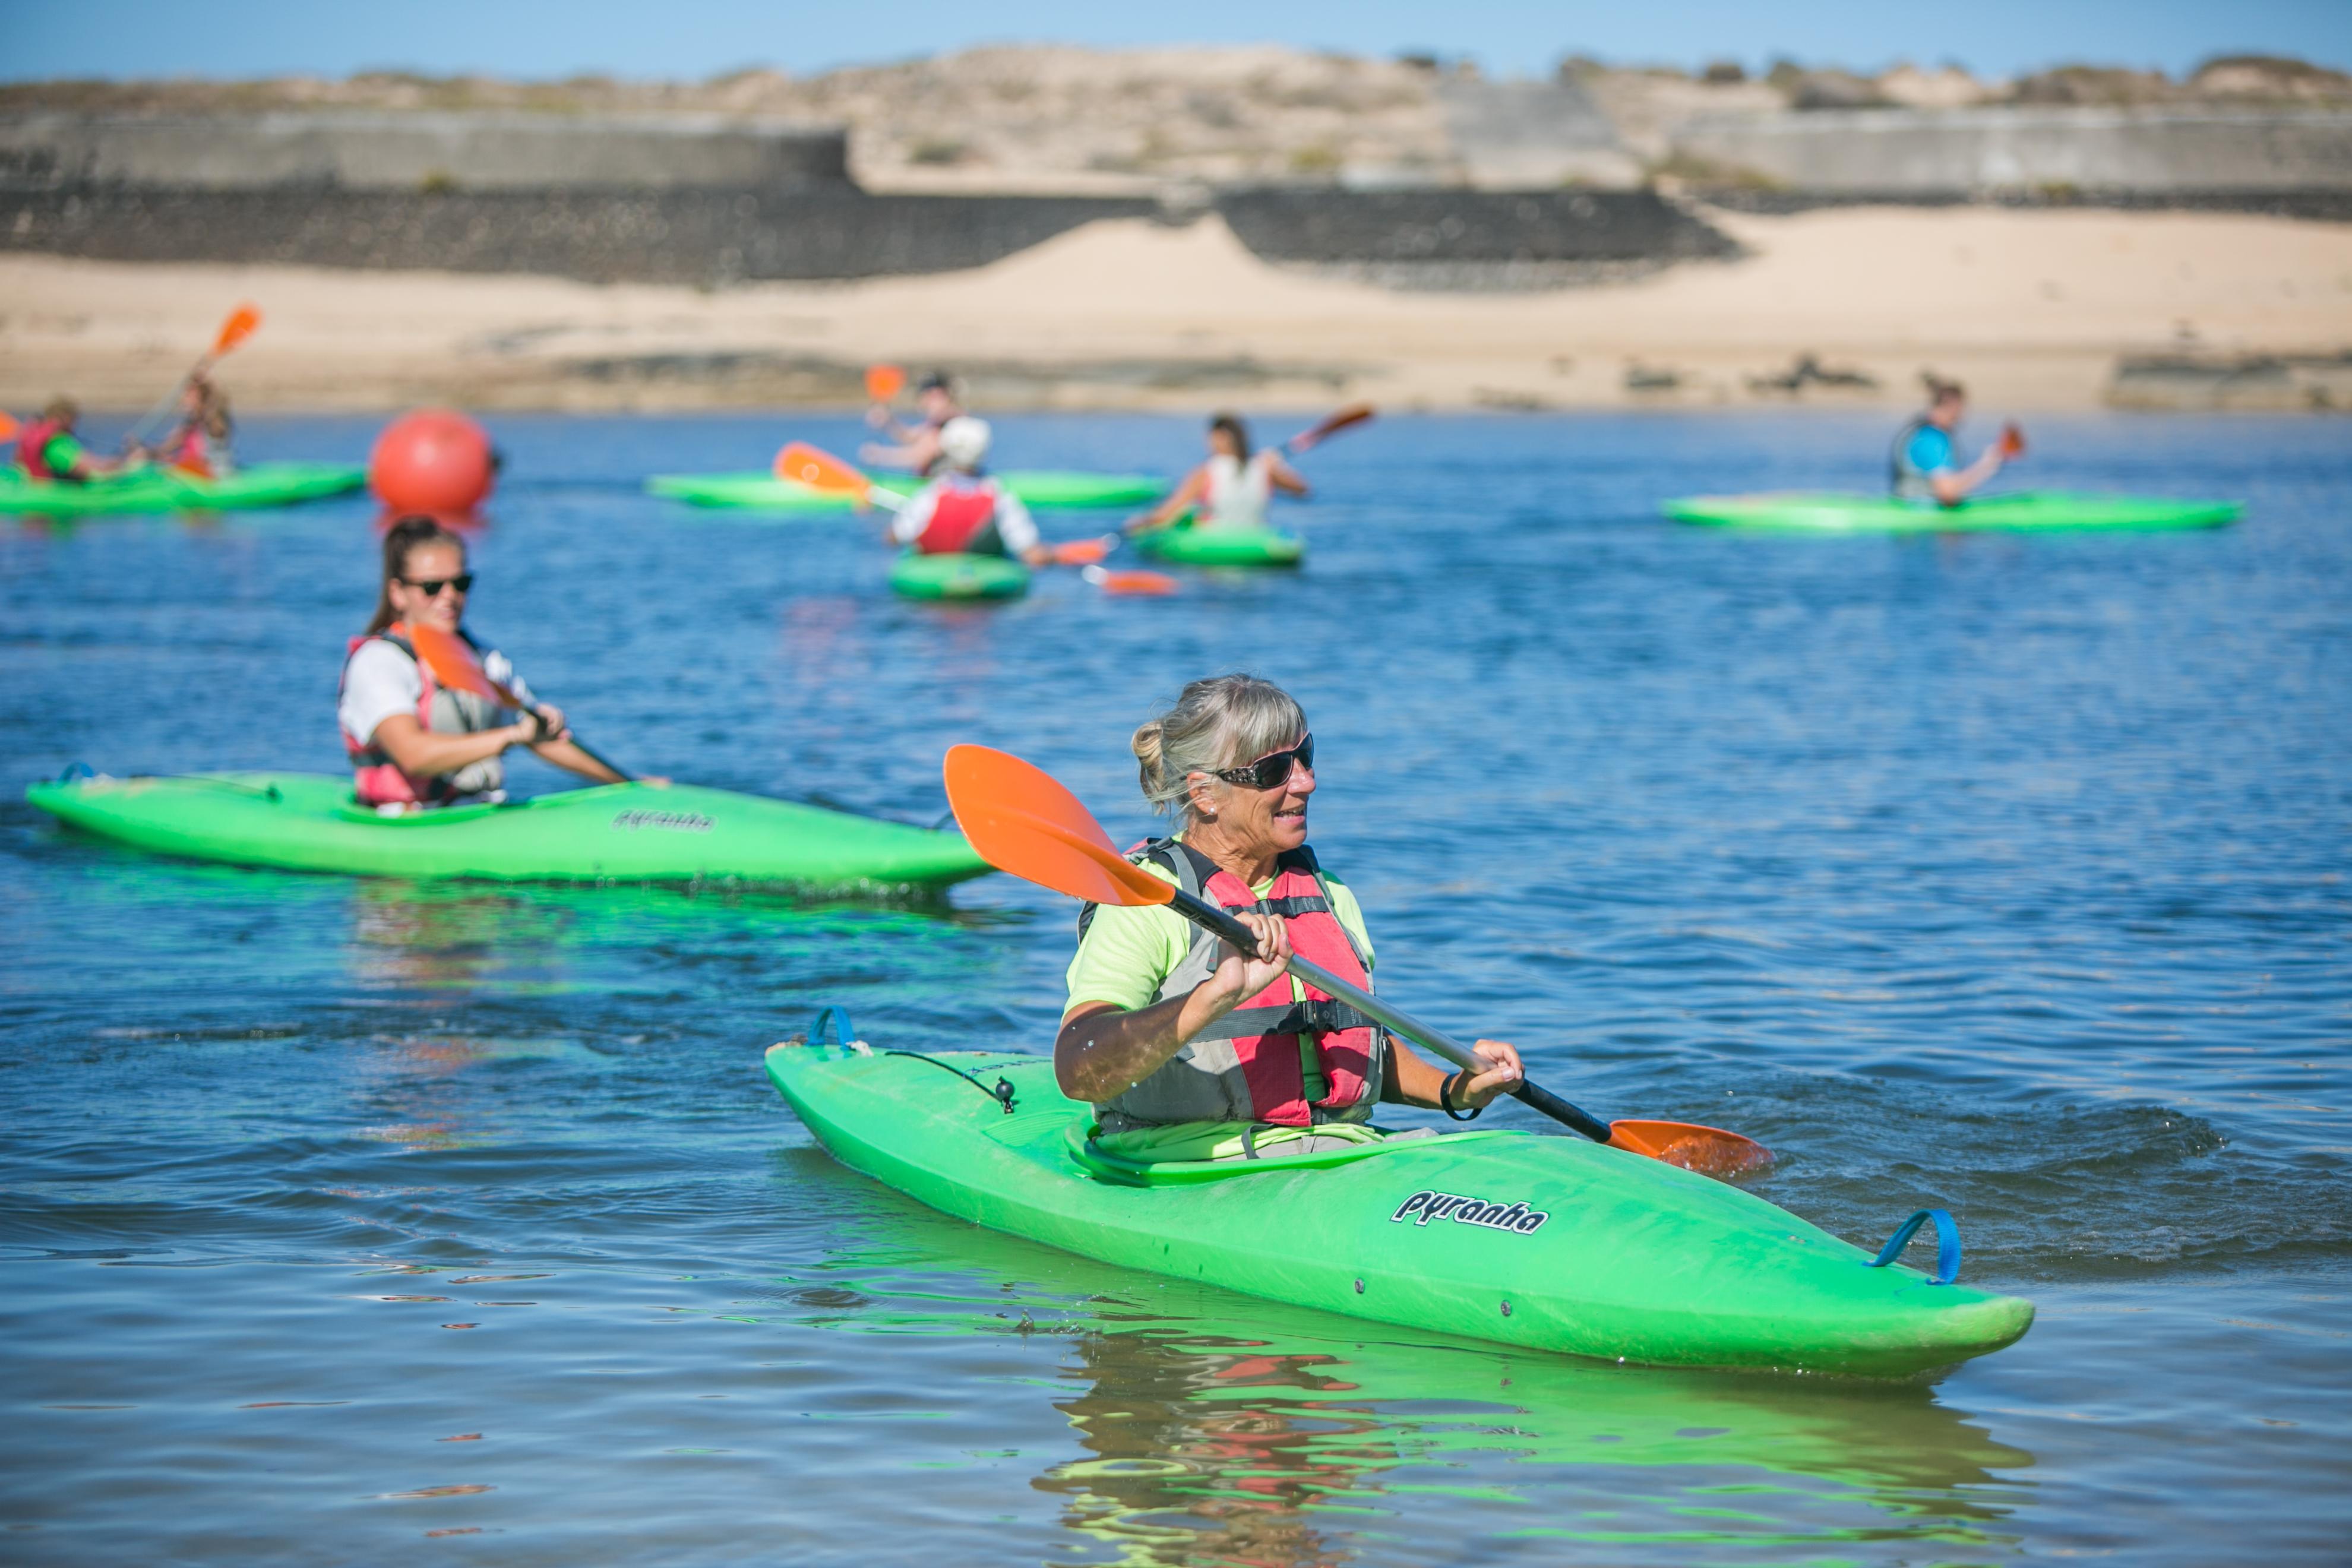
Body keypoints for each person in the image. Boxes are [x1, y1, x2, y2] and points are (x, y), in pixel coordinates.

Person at [1057, 674, 1525, 1163]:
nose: (1306, 781)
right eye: (1275, 769)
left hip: (1342, 1155)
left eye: (1306, 757)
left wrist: (1455, 1089)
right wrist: (1211, 998)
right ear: (1204, 793)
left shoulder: (1330, 892)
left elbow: (1347, 1045)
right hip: (1196, 1164)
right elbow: (1078, 1068)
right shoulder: (1146, 904)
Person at [337, 515, 625, 810]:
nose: (450, 597)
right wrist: (513, 736)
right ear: (398, 593)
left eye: (461, 583)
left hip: (481, 812)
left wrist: (629, 784)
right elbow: (413, 755)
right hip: (406, 822)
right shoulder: (379, 662)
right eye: (432, 587)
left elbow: (540, 738)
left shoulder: (484, 659)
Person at [889, 416, 1049, 565]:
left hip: (933, 572)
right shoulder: (998, 494)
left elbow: (894, 537)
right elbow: (1031, 553)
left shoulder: (931, 493)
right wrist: (1052, 556)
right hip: (987, 575)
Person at [1134, 414, 1307, 535]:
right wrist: (1276, 467)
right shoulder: (1264, 467)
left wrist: (1142, 523)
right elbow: (1302, 489)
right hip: (1255, 535)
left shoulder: (1206, 472)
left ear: (1219, 437)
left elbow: (1167, 513)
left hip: (1214, 539)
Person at [1891, 376, 2012, 506]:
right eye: (1961, 409)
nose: (1961, 416)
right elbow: (1948, 492)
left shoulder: (1923, 431)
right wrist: (1987, 465)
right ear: (1953, 406)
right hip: (1921, 511)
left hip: (1907, 502)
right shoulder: (1932, 439)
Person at [860, 370, 962, 476]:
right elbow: (909, 436)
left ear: (946, 396)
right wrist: (889, 420)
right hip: (933, 484)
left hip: (939, 486)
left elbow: (920, 456)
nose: (926, 402)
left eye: (934, 396)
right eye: (924, 396)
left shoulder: (949, 421)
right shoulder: (935, 422)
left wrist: (879, 455)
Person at [13, 397, 125, 484]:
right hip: (56, 493)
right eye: (75, 418)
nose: (75, 424)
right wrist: (123, 463)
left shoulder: (35, 432)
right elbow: (89, 466)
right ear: (65, 418)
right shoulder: (58, 443)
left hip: (35, 485)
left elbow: (17, 463)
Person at [143, 374, 236, 478]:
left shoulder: (215, 421)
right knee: (142, 457)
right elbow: (165, 449)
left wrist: (207, 384)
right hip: (190, 473)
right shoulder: (188, 426)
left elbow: (218, 399)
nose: (184, 399)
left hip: (210, 474)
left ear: (201, 397)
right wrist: (147, 452)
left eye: (189, 395)